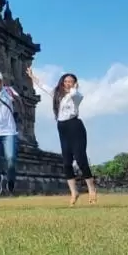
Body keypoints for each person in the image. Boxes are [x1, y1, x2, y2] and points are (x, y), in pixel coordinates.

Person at [27, 68, 98, 206]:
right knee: (66, 162)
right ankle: (74, 192)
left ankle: (91, 189)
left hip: (75, 126)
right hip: (62, 127)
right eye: (66, 81)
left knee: (81, 158)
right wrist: (32, 76)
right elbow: (43, 85)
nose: (68, 83)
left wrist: (74, 87)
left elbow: (74, 93)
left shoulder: (77, 95)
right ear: (62, 83)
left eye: (71, 81)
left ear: (75, 83)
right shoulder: (57, 95)